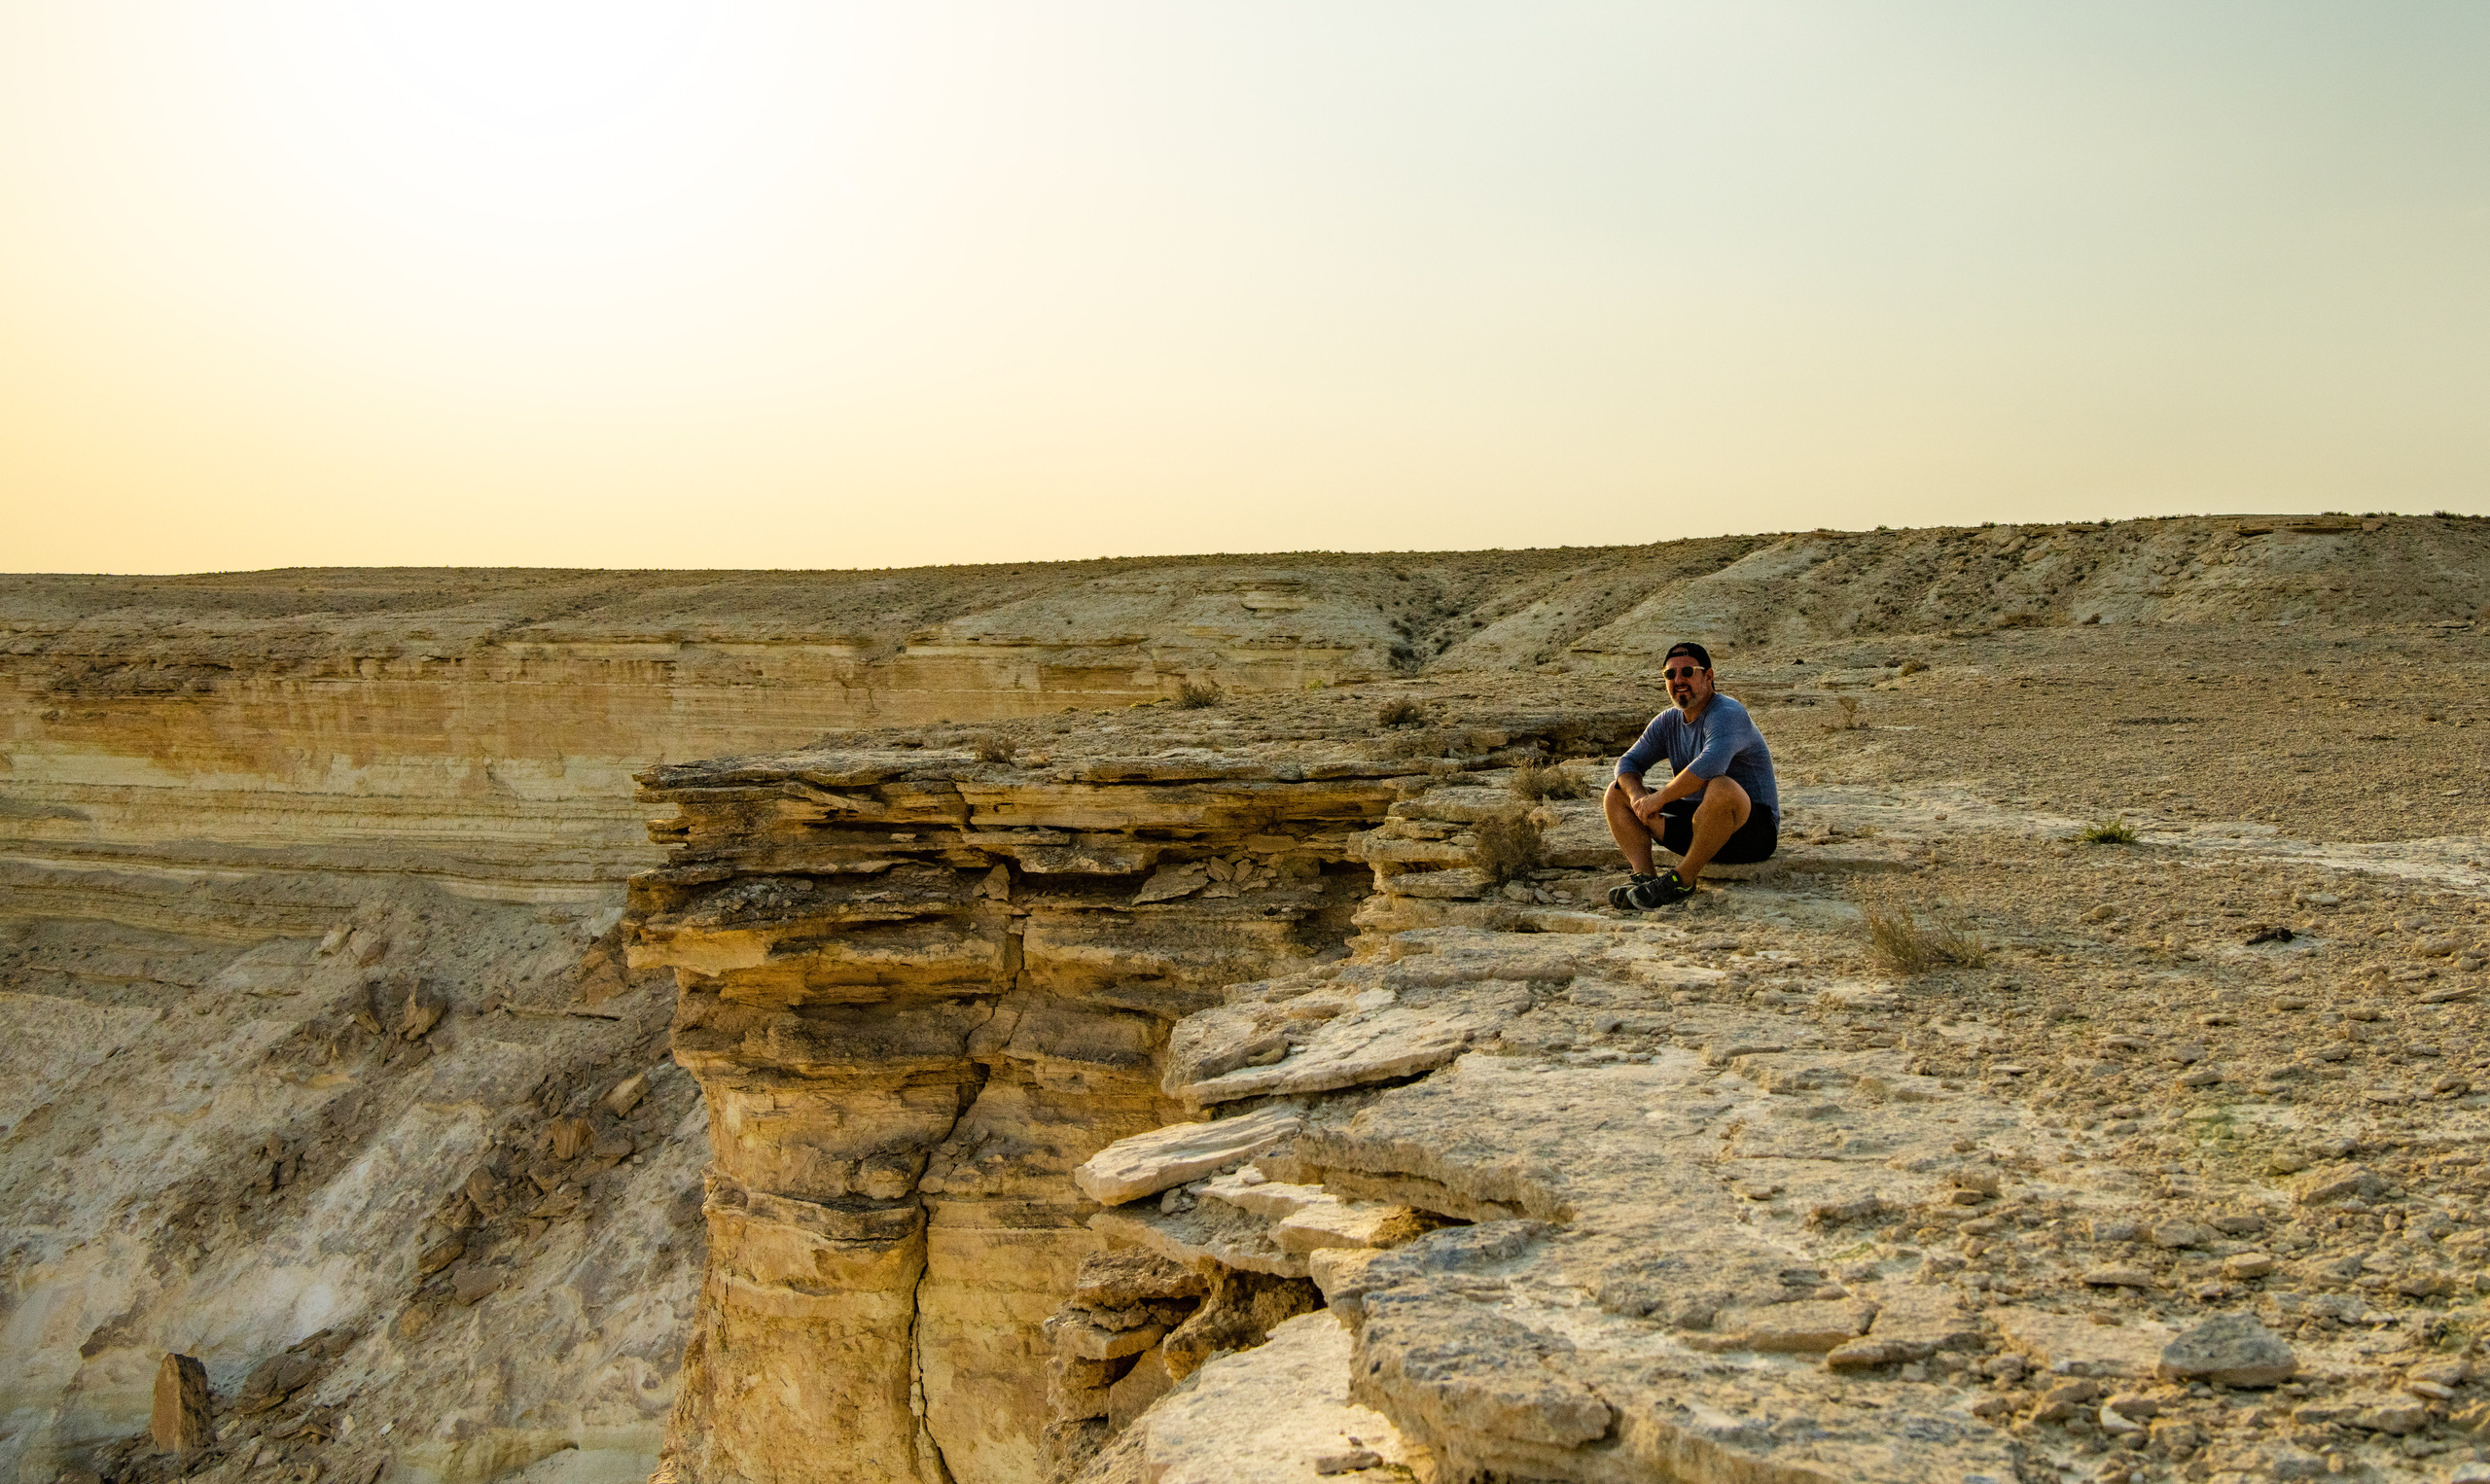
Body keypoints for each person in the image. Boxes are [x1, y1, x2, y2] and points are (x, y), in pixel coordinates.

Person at [1604, 641, 1780, 908]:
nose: (1678, 680)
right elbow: (1628, 762)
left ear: (1708, 676)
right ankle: (1644, 877)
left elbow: (1709, 766)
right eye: (1670, 674)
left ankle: (1682, 880)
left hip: (1752, 833)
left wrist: (1659, 798)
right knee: (1617, 793)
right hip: (1700, 828)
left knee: (1721, 787)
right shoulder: (1667, 721)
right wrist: (1638, 796)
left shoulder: (1728, 713)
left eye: (1687, 671)